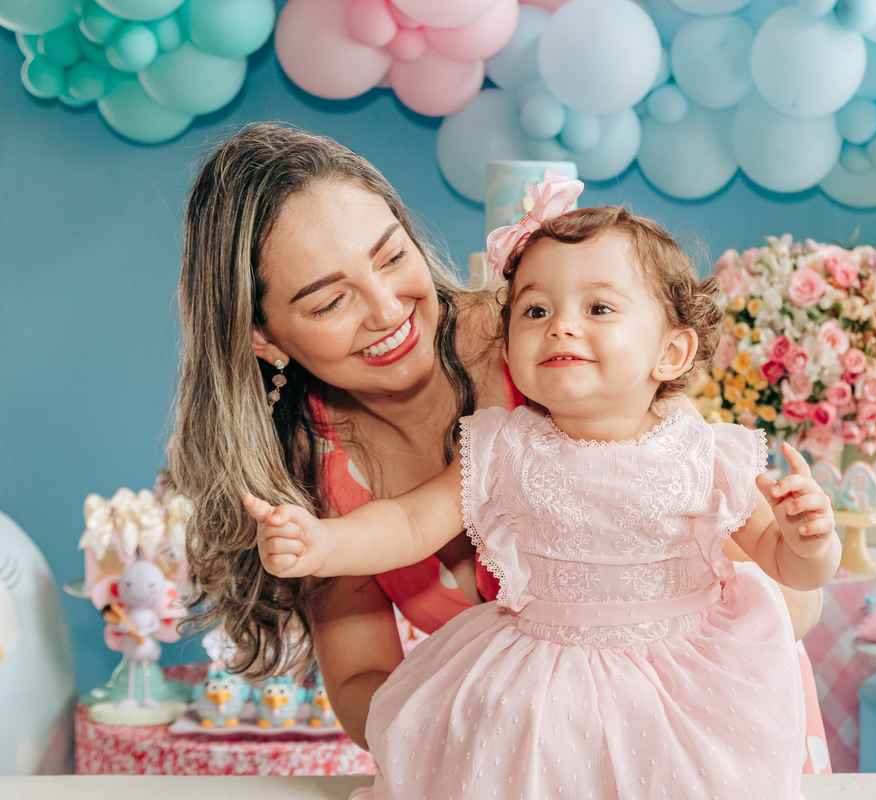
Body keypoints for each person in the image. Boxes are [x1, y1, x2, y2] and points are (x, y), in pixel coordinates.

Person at [170, 125, 826, 751]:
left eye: (392, 257)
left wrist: (641, 687)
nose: (387, 309)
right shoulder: (311, 473)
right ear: (263, 337)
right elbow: (361, 679)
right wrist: (485, 740)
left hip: (711, 720)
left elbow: (788, 591)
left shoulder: (555, 354)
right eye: (327, 302)